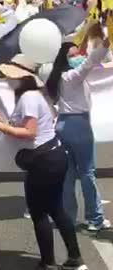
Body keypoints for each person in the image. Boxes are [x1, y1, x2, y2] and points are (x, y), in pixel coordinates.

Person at [0, 60, 87, 270]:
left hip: (43, 161)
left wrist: (1, 127)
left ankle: (47, 262)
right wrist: (5, 124)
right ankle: (75, 258)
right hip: (53, 156)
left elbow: (29, 132)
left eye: (11, 76)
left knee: (39, 213)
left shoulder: (28, 97)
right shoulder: (34, 96)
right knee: (56, 209)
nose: (8, 80)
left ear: (21, 76)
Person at [46, 33, 111, 231]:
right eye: (73, 55)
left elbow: (89, 59)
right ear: (65, 58)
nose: (78, 57)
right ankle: (95, 218)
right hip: (78, 126)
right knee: (87, 173)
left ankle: (68, 217)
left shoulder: (59, 78)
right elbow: (90, 62)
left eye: (78, 53)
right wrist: (105, 45)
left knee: (68, 175)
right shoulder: (72, 77)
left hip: (63, 126)